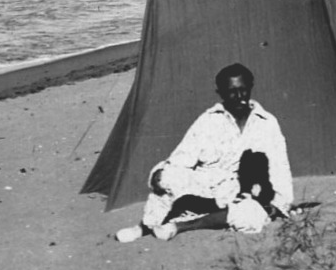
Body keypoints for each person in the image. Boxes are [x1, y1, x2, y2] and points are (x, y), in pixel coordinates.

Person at [115, 63, 292, 243]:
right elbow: (181, 159)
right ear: (221, 93)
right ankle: (144, 227)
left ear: (251, 88)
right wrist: (161, 175)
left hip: (240, 191)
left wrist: (279, 204)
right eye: (232, 92)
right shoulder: (208, 120)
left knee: (251, 216)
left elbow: (280, 167)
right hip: (206, 188)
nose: (240, 97)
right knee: (167, 175)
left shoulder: (267, 123)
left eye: (243, 90)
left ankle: (181, 226)